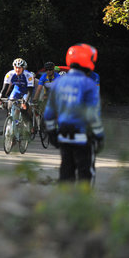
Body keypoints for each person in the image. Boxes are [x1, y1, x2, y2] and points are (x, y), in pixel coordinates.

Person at [44, 43, 104, 185]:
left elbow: (49, 113)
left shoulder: (59, 82)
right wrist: (99, 135)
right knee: (85, 173)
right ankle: (82, 204)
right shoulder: (89, 84)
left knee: (66, 172)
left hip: (63, 136)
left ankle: (64, 203)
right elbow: (93, 115)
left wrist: (52, 133)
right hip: (83, 137)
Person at [0, 58, 35, 122]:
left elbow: (30, 90)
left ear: (23, 68)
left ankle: (28, 123)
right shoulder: (9, 74)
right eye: (16, 67)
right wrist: (0, 99)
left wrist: (25, 101)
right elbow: (5, 88)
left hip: (26, 91)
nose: (17, 69)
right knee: (10, 103)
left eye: (19, 68)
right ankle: (11, 121)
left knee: (24, 108)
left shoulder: (28, 75)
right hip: (17, 90)